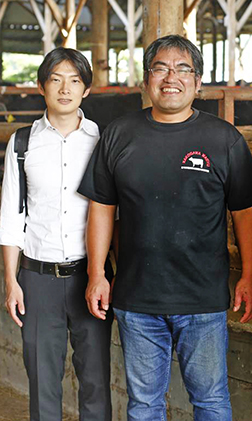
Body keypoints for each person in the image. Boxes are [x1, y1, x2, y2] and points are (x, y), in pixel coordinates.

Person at [78, 34, 252, 420]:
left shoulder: (223, 138)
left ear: (198, 83)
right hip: (136, 298)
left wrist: (250, 275)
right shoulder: (119, 133)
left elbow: (245, 213)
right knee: (144, 405)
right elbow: (101, 207)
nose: (171, 77)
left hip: (203, 300)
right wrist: (97, 273)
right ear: (147, 79)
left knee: (210, 400)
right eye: (161, 68)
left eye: (183, 69)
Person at [0, 47, 112, 421]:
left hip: (90, 277)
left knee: (96, 381)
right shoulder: (22, 144)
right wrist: (11, 282)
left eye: (75, 81)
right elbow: (11, 218)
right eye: (56, 79)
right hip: (37, 278)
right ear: (41, 86)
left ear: (87, 90)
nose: (65, 89)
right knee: (42, 382)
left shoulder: (104, 141)